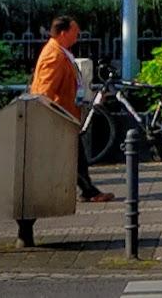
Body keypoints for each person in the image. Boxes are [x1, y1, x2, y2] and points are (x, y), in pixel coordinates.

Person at [29, 16, 114, 203]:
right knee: (72, 156)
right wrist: (45, 115)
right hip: (58, 116)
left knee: (73, 156)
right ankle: (86, 191)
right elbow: (44, 90)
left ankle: (85, 191)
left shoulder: (61, 51)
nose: (77, 36)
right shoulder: (54, 55)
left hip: (64, 114)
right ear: (63, 33)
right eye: (75, 32)